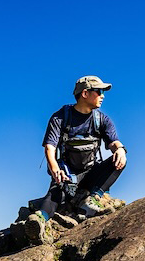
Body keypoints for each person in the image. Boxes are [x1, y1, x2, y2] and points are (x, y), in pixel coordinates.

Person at [36, 75, 127, 222]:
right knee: (53, 197)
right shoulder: (60, 118)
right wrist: (55, 170)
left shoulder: (102, 120)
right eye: (99, 91)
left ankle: (91, 200)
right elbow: (49, 147)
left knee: (119, 161)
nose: (103, 96)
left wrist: (120, 150)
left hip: (91, 173)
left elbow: (113, 142)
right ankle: (39, 220)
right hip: (67, 175)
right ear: (85, 93)